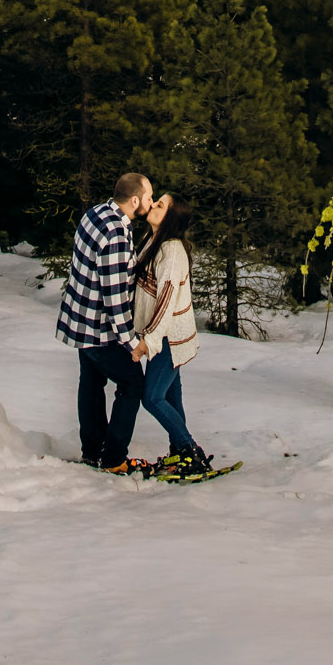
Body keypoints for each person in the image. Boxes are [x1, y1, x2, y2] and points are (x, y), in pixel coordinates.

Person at [56, 169, 153, 472]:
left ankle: (92, 449)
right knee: (133, 382)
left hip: (79, 319)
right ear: (135, 200)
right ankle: (112, 458)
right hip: (98, 328)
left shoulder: (96, 213)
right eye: (149, 197)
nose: (151, 202)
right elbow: (113, 297)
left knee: (92, 382)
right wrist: (132, 342)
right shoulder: (115, 235)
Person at [133, 194, 209, 478]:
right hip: (159, 334)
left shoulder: (172, 251)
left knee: (152, 398)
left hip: (168, 338)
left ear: (170, 218)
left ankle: (190, 452)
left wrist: (148, 341)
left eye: (160, 205)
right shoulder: (153, 243)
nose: (152, 205)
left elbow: (166, 300)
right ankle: (181, 453)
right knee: (171, 398)